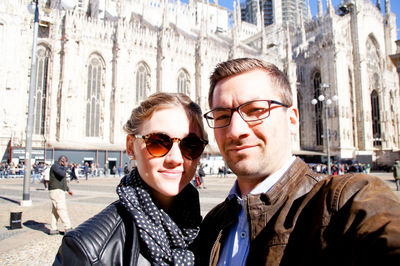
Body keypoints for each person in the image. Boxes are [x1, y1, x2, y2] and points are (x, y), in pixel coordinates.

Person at [193, 58, 400, 265]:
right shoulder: (212, 224)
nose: (236, 131)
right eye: (221, 116)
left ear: (292, 120)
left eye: (255, 110)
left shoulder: (341, 200)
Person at [54, 92, 208, 265]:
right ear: (130, 147)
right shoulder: (87, 250)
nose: (176, 159)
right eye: (157, 142)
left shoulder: (211, 230)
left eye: (191, 145)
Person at [48, 155, 73, 235]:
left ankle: (53, 228)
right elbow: (62, 174)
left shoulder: (59, 167)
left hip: (59, 190)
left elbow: (62, 180)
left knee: (55, 211)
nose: (67, 164)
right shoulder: (55, 166)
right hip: (56, 191)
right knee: (61, 208)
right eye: (66, 162)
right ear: (62, 161)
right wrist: (66, 167)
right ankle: (67, 227)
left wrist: (68, 189)